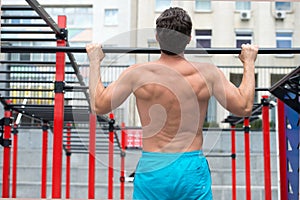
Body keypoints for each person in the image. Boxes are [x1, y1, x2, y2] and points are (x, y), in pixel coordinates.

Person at [87, 7, 258, 200]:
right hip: (190, 168)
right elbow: (244, 107)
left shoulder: (137, 74)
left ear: (157, 37)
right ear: (188, 38)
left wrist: (95, 61)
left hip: (154, 168)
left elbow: (99, 105)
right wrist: (249, 62)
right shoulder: (207, 74)